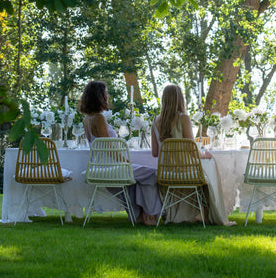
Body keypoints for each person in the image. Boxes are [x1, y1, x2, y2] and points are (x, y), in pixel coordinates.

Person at [80, 80, 162, 225]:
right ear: (99, 96)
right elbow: (109, 146)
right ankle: (150, 214)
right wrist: (125, 161)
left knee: (135, 181)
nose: (108, 95)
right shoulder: (99, 118)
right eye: (105, 93)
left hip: (99, 167)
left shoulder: (88, 118)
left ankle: (138, 215)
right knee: (152, 174)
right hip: (110, 168)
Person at [151, 84, 233, 225]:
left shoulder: (155, 121)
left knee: (206, 172)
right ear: (180, 99)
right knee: (210, 170)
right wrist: (203, 155)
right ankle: (207, 214)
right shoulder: (183, 118)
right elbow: (191, 148)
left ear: (163, 100)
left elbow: (154, 153)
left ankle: (190, 214)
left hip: (166, 173)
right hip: (186, 171)